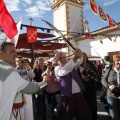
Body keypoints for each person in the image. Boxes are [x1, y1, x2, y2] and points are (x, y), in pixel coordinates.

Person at [0, 41, 47, 120]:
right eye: (12, 52)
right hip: (10, 115)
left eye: (15, 51)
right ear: (1, 54)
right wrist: (45, 81)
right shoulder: (9, 71)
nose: (16, 55)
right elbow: (31, 88)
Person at [54, 48, 93, 120]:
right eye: (60, 58)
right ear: (57, 61)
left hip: (78, 95)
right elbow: (66, 69)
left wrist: (80, 53)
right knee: (65, 117)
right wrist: (75, 57)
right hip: (67, 97)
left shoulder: (71, 64)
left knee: (84, 116)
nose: (63, 59)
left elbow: (79, 61)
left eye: (64, 57)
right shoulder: (57, 69)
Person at [79, 52, 98, 120]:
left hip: (92, 86)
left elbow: (96, 73)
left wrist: (90, 77)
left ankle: (94, 117)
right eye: (82, 57)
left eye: (84, 56)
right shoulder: (78, 66)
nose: (83, 58)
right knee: (85, 104)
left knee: (93, 103)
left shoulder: (90, 64)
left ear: (86, 57)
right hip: (84, 87)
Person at [106, 54, 120, 120]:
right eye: (117, 60)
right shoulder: (109, 70)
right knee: (114, 116)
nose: (119, 62)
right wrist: (108, 86)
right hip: (112, 96)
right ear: (114, 62)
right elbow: (103, 79)